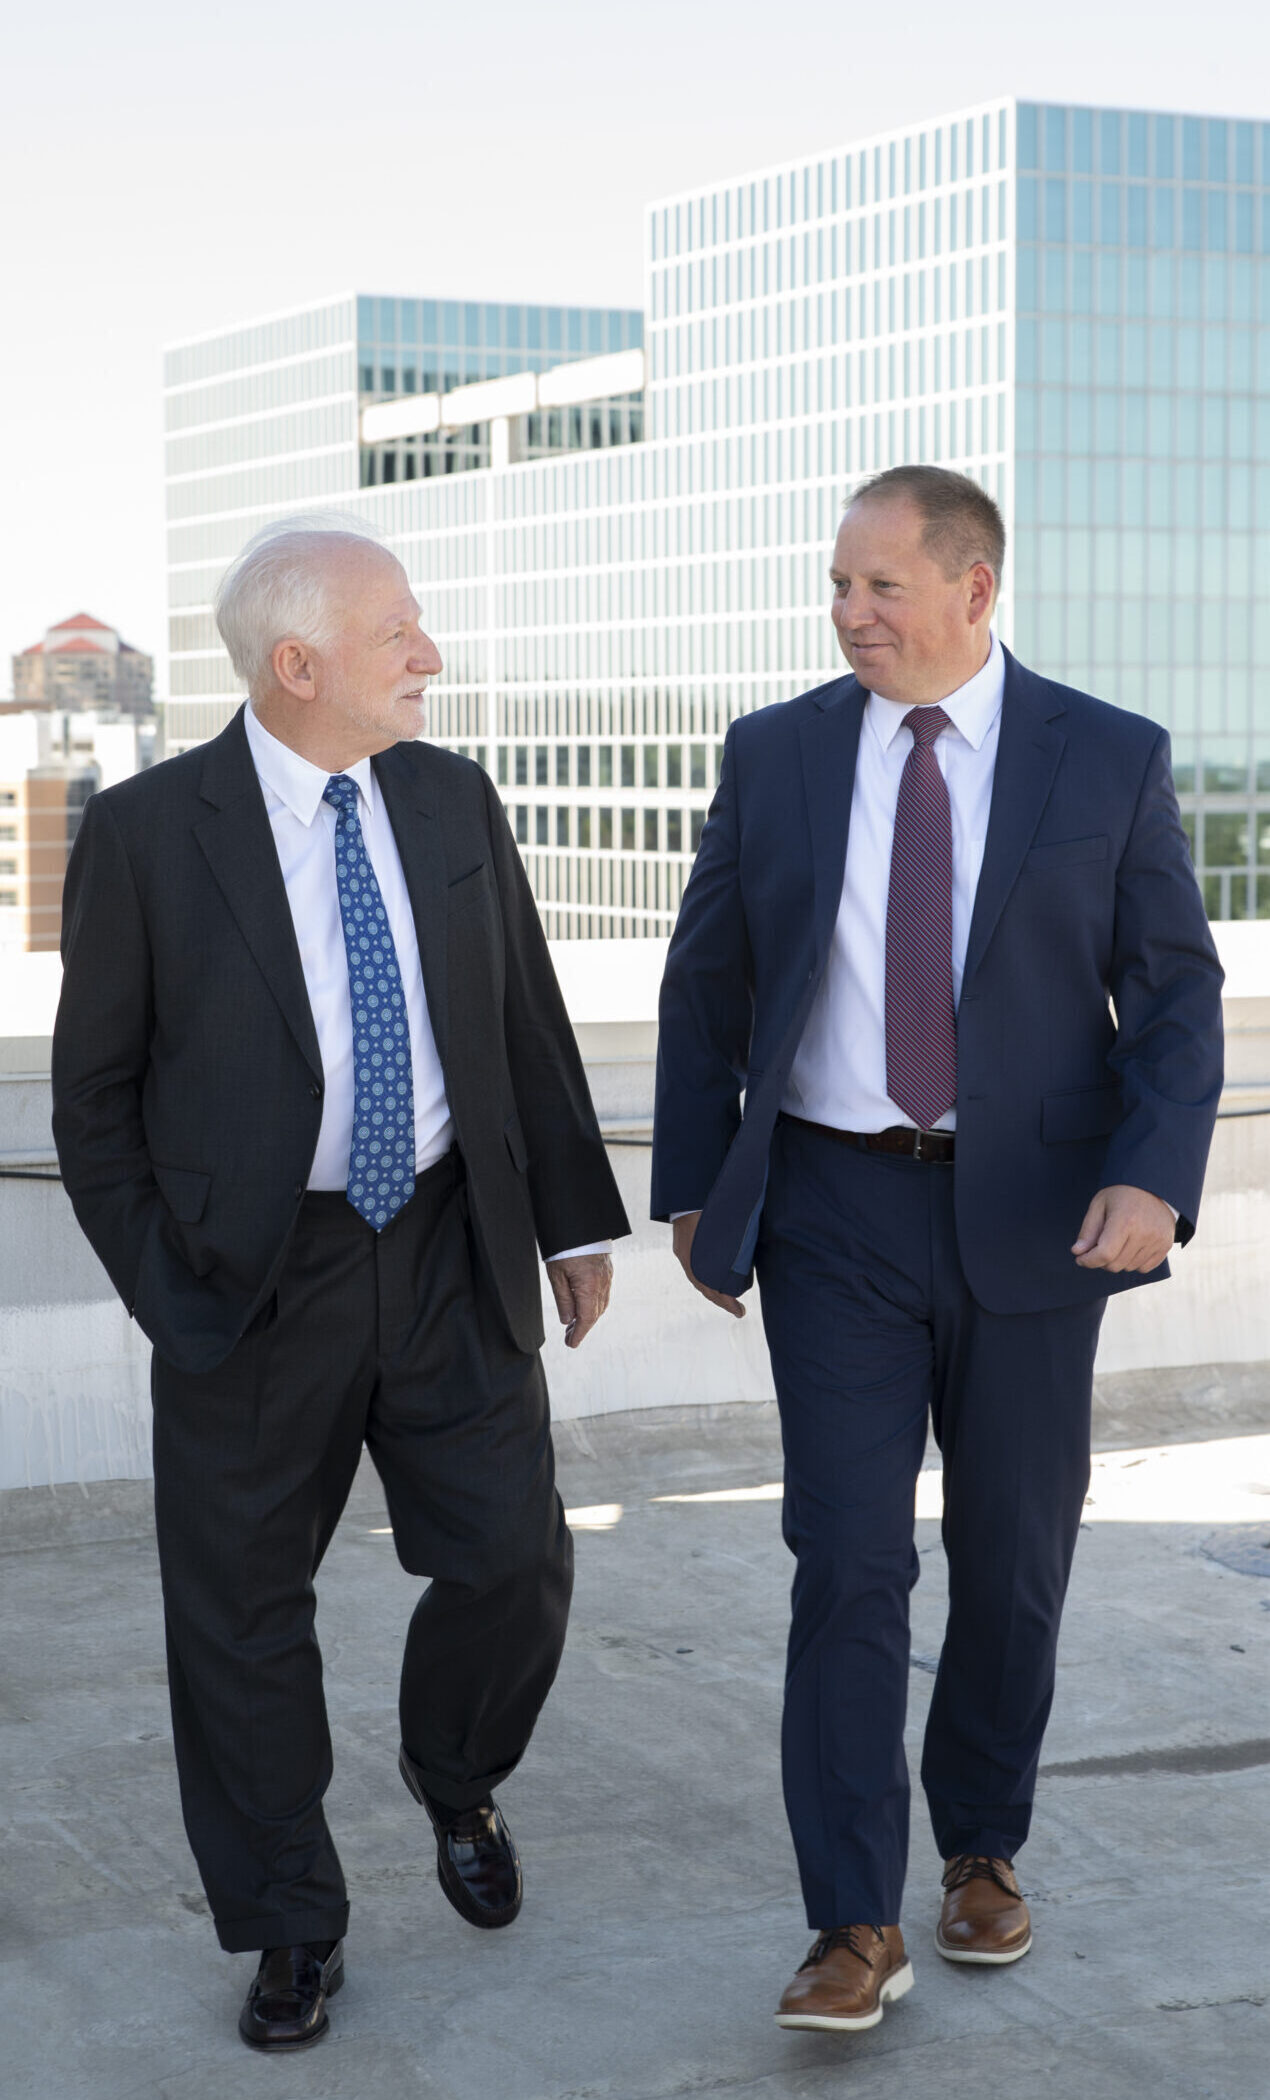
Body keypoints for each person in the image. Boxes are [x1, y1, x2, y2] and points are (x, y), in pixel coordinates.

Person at [651, 464, 1223, 2035]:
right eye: (836, 587)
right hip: (832, 1211)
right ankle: (848, 1917)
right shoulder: (773, 755)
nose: (848, 616)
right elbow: (707, 984)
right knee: (844, 1560)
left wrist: (1153, 1177)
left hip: (1037, 1218)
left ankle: (979, 1849)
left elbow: (1172, 996)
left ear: (974, 588)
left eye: (879, 588)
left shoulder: (1102, 756)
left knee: (1013, 1554)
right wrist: (698, 1189)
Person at [52, 514, 629, 2052]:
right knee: (240, 1621)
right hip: (249, 1282)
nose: (428, 655)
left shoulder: (449, 798)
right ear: (299, 665)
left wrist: (572, 1224)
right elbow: (92, 1102)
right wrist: (165, 1290)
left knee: (512, 1558)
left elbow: (523, 1022)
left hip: (447, 1240)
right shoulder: (147, 834)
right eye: (398, 636)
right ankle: (292, 1925)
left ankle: (456, 1776)